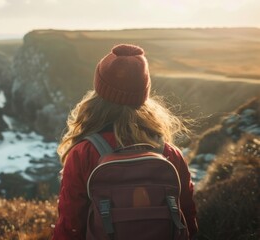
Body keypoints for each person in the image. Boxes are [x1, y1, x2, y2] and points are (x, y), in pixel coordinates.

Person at [52, 44, 198, 239]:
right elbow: (188, 218)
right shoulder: (169, 153)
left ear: (98, 93)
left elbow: (70, 226)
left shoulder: (83, 153)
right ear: (144, 93)